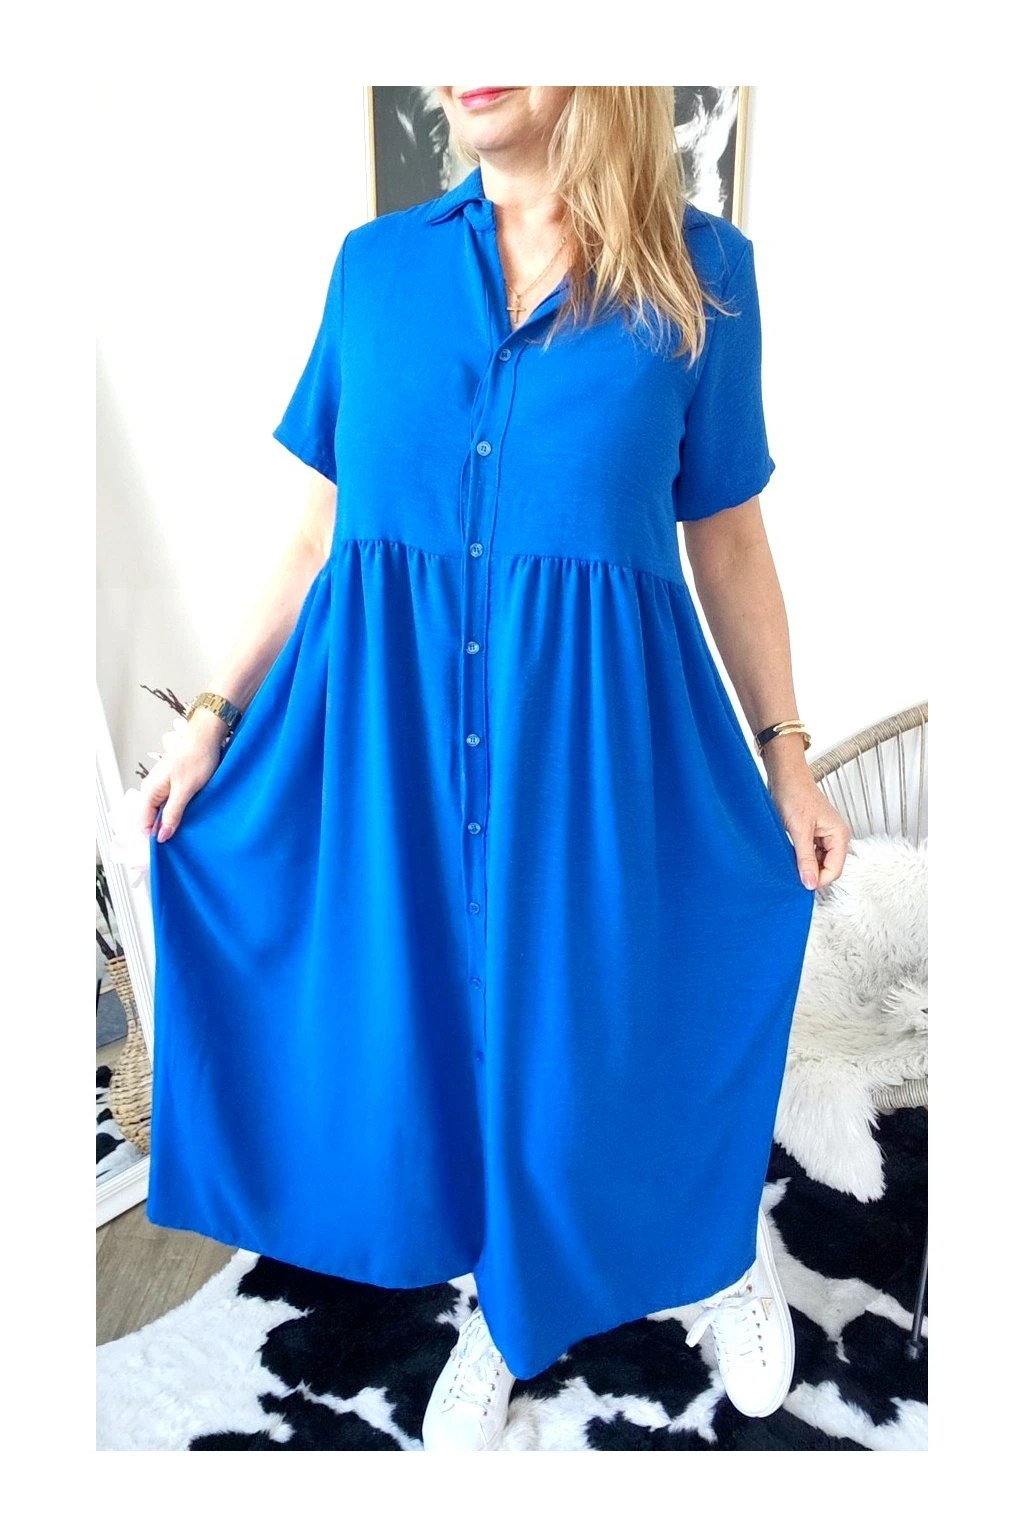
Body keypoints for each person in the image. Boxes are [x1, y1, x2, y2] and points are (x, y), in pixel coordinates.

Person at [138, 86, 851, 1452]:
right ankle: (503, 1310)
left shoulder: (704, 271)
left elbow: (730, 538)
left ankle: (717, 1255)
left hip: (605, 749)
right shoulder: (377, 269)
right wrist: (213, 714)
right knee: (438, 1046)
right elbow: (317, 533)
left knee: (612, 1028)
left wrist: (788, 757)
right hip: (394, 741)